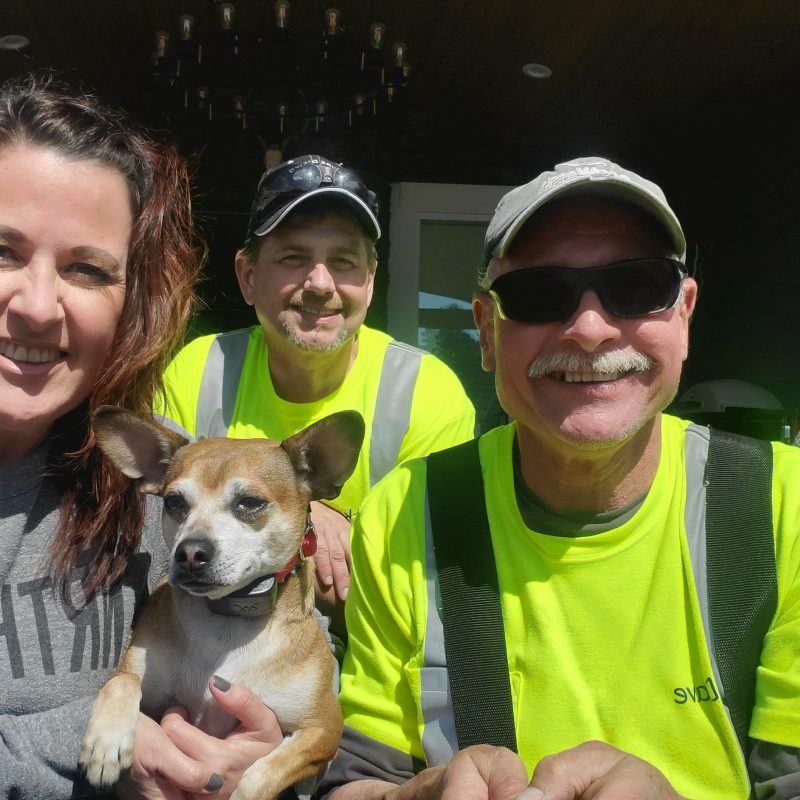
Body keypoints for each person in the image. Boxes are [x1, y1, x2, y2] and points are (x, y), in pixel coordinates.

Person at [317, 156, 800, 799]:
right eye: (541, 294)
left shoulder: (781, 507)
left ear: (683, 315)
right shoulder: (404, 512)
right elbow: (351, 784)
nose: (591, 329)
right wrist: (419, 795)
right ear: (486, 331)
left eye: (636, 287)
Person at [0, 73, 283, 799]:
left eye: (87, 269)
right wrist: (103, 749)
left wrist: (250, 758)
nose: (36, 306)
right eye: (2, 251)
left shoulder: (160, 478)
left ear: (132, 301)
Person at [158, 154, 476, 638]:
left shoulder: (426, 391)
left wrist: (302, 513)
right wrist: (304, 519)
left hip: (375, 655)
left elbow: (434, 580)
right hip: (208, 646)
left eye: (344, 262)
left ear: (370, 281)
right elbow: (157, 545)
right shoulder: (199, 369)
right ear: (247, 276)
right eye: (293, 258)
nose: (321, 284)